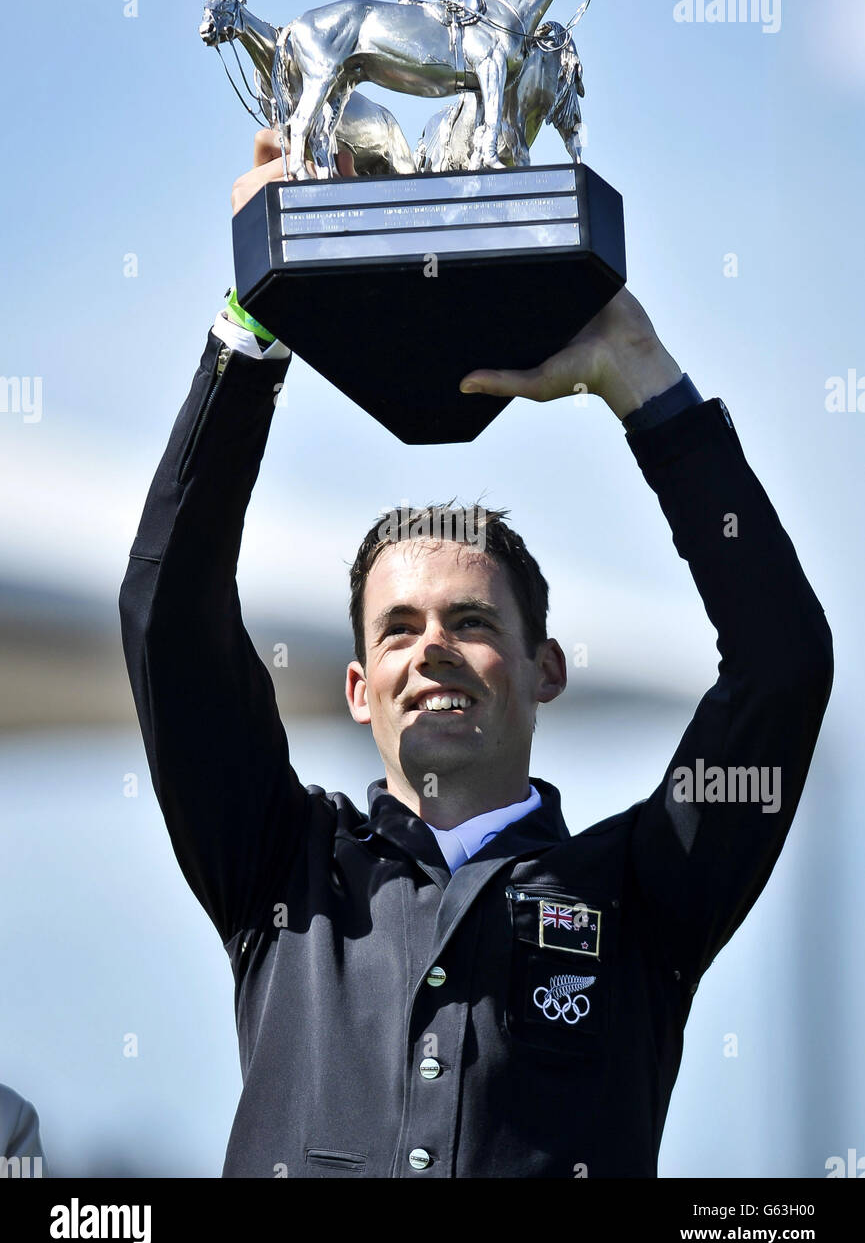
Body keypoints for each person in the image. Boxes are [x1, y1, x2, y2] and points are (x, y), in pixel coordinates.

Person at [118, 129, 833, 1178]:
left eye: (472, 623)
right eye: (399, 630)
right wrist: (257, 314)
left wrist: (640, 374)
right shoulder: (277, 865)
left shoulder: (645, 890)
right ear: (359, 689)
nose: (435, 651)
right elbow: (168, 609)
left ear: (546, 669)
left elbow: (782, 664)